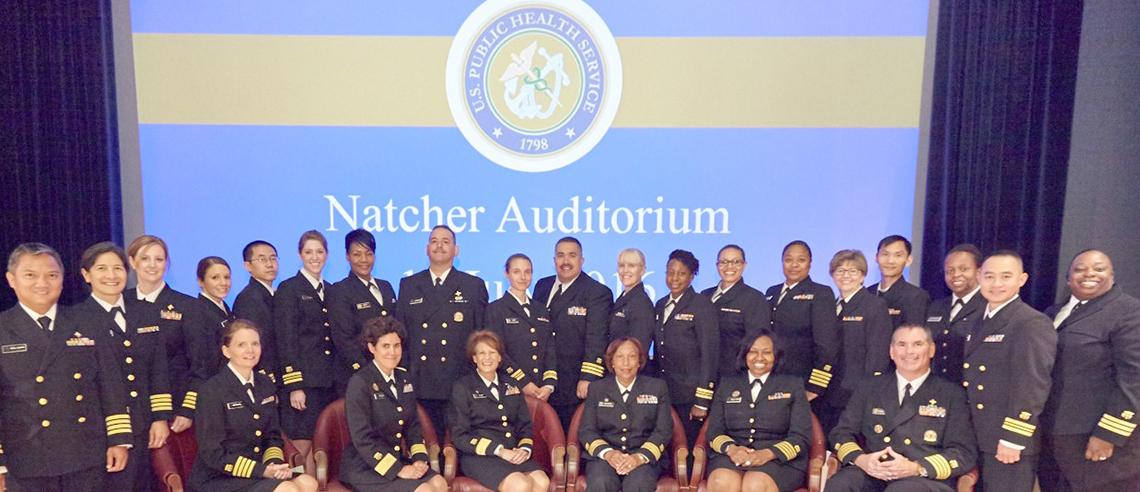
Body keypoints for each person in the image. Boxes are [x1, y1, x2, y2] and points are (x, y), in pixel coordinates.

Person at [0, 243, 132, 490]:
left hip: (85, 453)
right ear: (11, 279)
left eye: (52, 275)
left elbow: (110, 385)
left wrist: (119, 439)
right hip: (26, 459)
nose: (42, 283)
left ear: (62, 280)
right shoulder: (3, 329)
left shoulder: (87, 322)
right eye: (30, 275)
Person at [827, 324, 977, 491]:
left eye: (918, 344)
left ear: (932, 350)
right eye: (902, 344)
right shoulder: (869, 387)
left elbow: (963, 451)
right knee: (840, 485)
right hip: (874, 471)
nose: (909, 352)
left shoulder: (951, 394)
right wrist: (862, 460)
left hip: (924, 477)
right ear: (892, 351)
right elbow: (841, 433)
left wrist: (916, 467)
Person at [73, 242, 172, 491]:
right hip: (102, 429)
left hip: (144, 424)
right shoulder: (76, 320)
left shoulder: (145, 313)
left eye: (118, 268)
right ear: (86, 275)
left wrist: (160, 417)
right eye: (102, 269)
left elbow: (157, 368)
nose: (111, 275)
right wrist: (115, 435)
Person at [1039, 250, 1140, 491]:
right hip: (1054, 431)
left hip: (1095, 435)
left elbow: (1135, 377)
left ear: (1112, 276)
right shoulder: (1055, 312)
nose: (1089, 274)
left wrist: (1109, 434)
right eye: (1080, 269)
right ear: (1068, 278)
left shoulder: (1129, 312)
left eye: (1098, 268)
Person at [188, 319, 318, 492]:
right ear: (226, 351)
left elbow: (272, 435)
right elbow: (213, 454)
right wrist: (262, 471)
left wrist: (274, 465)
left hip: (261, 471)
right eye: (241, 345)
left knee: (309, 483)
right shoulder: (212, 390)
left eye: (255, 343)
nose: (250, 350)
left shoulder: (265, 383)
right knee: (287, 489)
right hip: (220, 477)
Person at [962, 250, 1056, 491]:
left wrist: (1013, 438)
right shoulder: (977, 319)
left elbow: (1033, 386)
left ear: (1022, 279)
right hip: (979, 435)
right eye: (989, 276)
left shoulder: (1030, 322)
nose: (996, 284)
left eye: (1005, 276)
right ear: (979, 277)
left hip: (1006, 438)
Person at [397, 225, 488, 434]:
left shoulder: (473, 285)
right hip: (420, 380)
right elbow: (401, 336)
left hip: (459, 380)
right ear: (426, 248)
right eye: (434, 241)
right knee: (423, 443)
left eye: (446, 241)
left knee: (456, 446)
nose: (439, 246)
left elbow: (480, 337)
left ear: (456, 250)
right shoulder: (409, 284)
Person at [340, 317, 448, 492]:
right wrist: (398, 469)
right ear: (371, 348)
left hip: (396, 459)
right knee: (423, 490)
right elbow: (362, 438)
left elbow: (412, 425)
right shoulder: (360, 382)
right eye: (385, 346)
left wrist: (419, 458)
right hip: (366, 467)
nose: (392, 352)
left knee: (439, 483)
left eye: (396, 346)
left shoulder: (403, 379)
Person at [706, 331, 812, 492]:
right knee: (722, 481)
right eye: (753, 351)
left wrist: (767, 454)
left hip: (778, 460)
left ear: (776, 356)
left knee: (755, 484)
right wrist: (732, 449)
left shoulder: (792, 385)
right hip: (732, 455)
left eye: (767, 352)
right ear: (744, 355)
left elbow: (801, 438)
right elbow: (713, 432)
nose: (759, 358)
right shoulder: (728, 385)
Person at [448, 331, 551, 492]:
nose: (487, 358)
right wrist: (499, 451)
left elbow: (524, 425)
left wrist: (524, 449)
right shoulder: (463, 387)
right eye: (482, 353)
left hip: (512, 452)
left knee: (542, 480)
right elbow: (459, 435)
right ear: (474, 358)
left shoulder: (511, 385)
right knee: (520, 485)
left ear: (500, 357)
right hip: (480, 457)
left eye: (492, 353)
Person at [125, 234, 205, 433]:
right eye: (145, 258)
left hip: (175, 410)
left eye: (159, 259)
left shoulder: (188, 306)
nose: (152, 265)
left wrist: (188, 409)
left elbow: (200, 364)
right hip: (131, 412)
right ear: (132, 262)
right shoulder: (121, 303)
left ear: (167, 264)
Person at [533, 236, 613, 429]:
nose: (565, 261)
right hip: (541, 381)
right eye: (560, 255)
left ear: (582, 260)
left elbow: (597, 337)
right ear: (554, 260)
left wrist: (588, 377)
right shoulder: (541, 286)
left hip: (574, 382)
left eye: (572, 255)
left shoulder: (597, 292)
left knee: (571, 440)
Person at [274, 230, 336, 467]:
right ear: (300, 254)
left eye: (319, 252)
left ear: (327, 254)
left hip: (328, 382)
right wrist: (294, 385)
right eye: (309, 252)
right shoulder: (289, 289)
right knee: (300, 447)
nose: (315, 257)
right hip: (305, 383)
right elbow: (286, 340)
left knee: (319, 445)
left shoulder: (331, 290)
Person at [578, 337, 673, 492]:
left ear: (640, 361)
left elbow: (664, 431)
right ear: (612, 362)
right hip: (605, 458)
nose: (626, 363)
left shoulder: (657, 388)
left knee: (638, 484)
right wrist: (609, 454)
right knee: (601, 482)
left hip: (643, 458)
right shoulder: (597, 389)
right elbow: (587, 431)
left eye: (632, 357)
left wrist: (638, 457)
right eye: (620, 357)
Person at [819, 250, 892, 433]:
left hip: (855, 391)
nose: (846, 276)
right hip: (827, 390)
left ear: (863, 275)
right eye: (840, 271)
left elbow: (878, 354)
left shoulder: (874, 306)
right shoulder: (829, 306)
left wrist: (868, 391)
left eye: (852, 271)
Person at [653, 249, 719, 447]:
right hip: (665, 392)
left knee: (688, 450)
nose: (674, 278)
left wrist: (702, 400)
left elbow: (710, 354)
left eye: (681, 273)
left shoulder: (701, 305)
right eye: (670, 272)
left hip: (689, 396)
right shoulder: (660, 304)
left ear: (691, 277)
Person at [764, 241, 839, 405]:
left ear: (810, 263)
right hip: (772, 379)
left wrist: (815, 387)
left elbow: (827, 345)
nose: (794, 265)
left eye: (801, 260)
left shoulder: (821, 293)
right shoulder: (772, 292)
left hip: (803, 382)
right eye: (788, 260)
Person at [329, 229, 398, 395]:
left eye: (368, 254)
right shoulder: (340, 290)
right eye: (357, 254)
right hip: (357, 376)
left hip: (388, 371)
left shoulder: (386, 286)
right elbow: (344, 339)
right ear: (347, 256)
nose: (363, 260)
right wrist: (372, 371)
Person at [484, 254, 557, 401]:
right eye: (517, 272)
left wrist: (549, 384)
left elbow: (549, 349)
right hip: (509, 387)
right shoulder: (495, 309)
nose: (523, 277)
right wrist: (523, 382)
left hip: (541, 390)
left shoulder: (541, 309)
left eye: (527, 272)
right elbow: (497, 351)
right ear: (507, 274)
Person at [701, 245, 773, 379]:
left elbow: (758, 343)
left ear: (744, 265)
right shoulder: (704, 295)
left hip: (735, 377)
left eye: (736, 262)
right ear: (717, 265)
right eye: (724, 262)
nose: (729, 267)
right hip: (704, 376)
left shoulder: (754, 298)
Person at [925, 244, 984, 382]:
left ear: (979, 272)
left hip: (971, 388)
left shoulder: (988, 306)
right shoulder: (936, 306)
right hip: (937, 387)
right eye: (949, 271)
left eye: (964, 269)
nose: (956, 275)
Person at [190, 256, 236, 400]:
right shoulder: (198, 312)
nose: (223, 283)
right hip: (213, 391)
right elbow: (202, 362)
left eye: (227, 277)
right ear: (200, 281)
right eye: (215, 278)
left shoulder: (225, 309)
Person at [233, 240, 280, 382]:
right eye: (262, 259)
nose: (269, 264)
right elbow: (256, 342)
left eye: (273, 258)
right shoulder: (248, 299)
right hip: (266, 377)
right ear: (248, 266)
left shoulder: (275, 294)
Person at [868, 236, 931, 329]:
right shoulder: (868, 293)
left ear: (908, 260)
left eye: (898, 255)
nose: (890, 261)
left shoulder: (916, 297)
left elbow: (913, 335)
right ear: (876, 258)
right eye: (885, 254)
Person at [607, 248, 655, 363]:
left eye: (632, 266)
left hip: (627, 371)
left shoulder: (642, 304)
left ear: (643, 270)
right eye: (622, 266)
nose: (625, 270)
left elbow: (639, 350)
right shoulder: (623, 298)